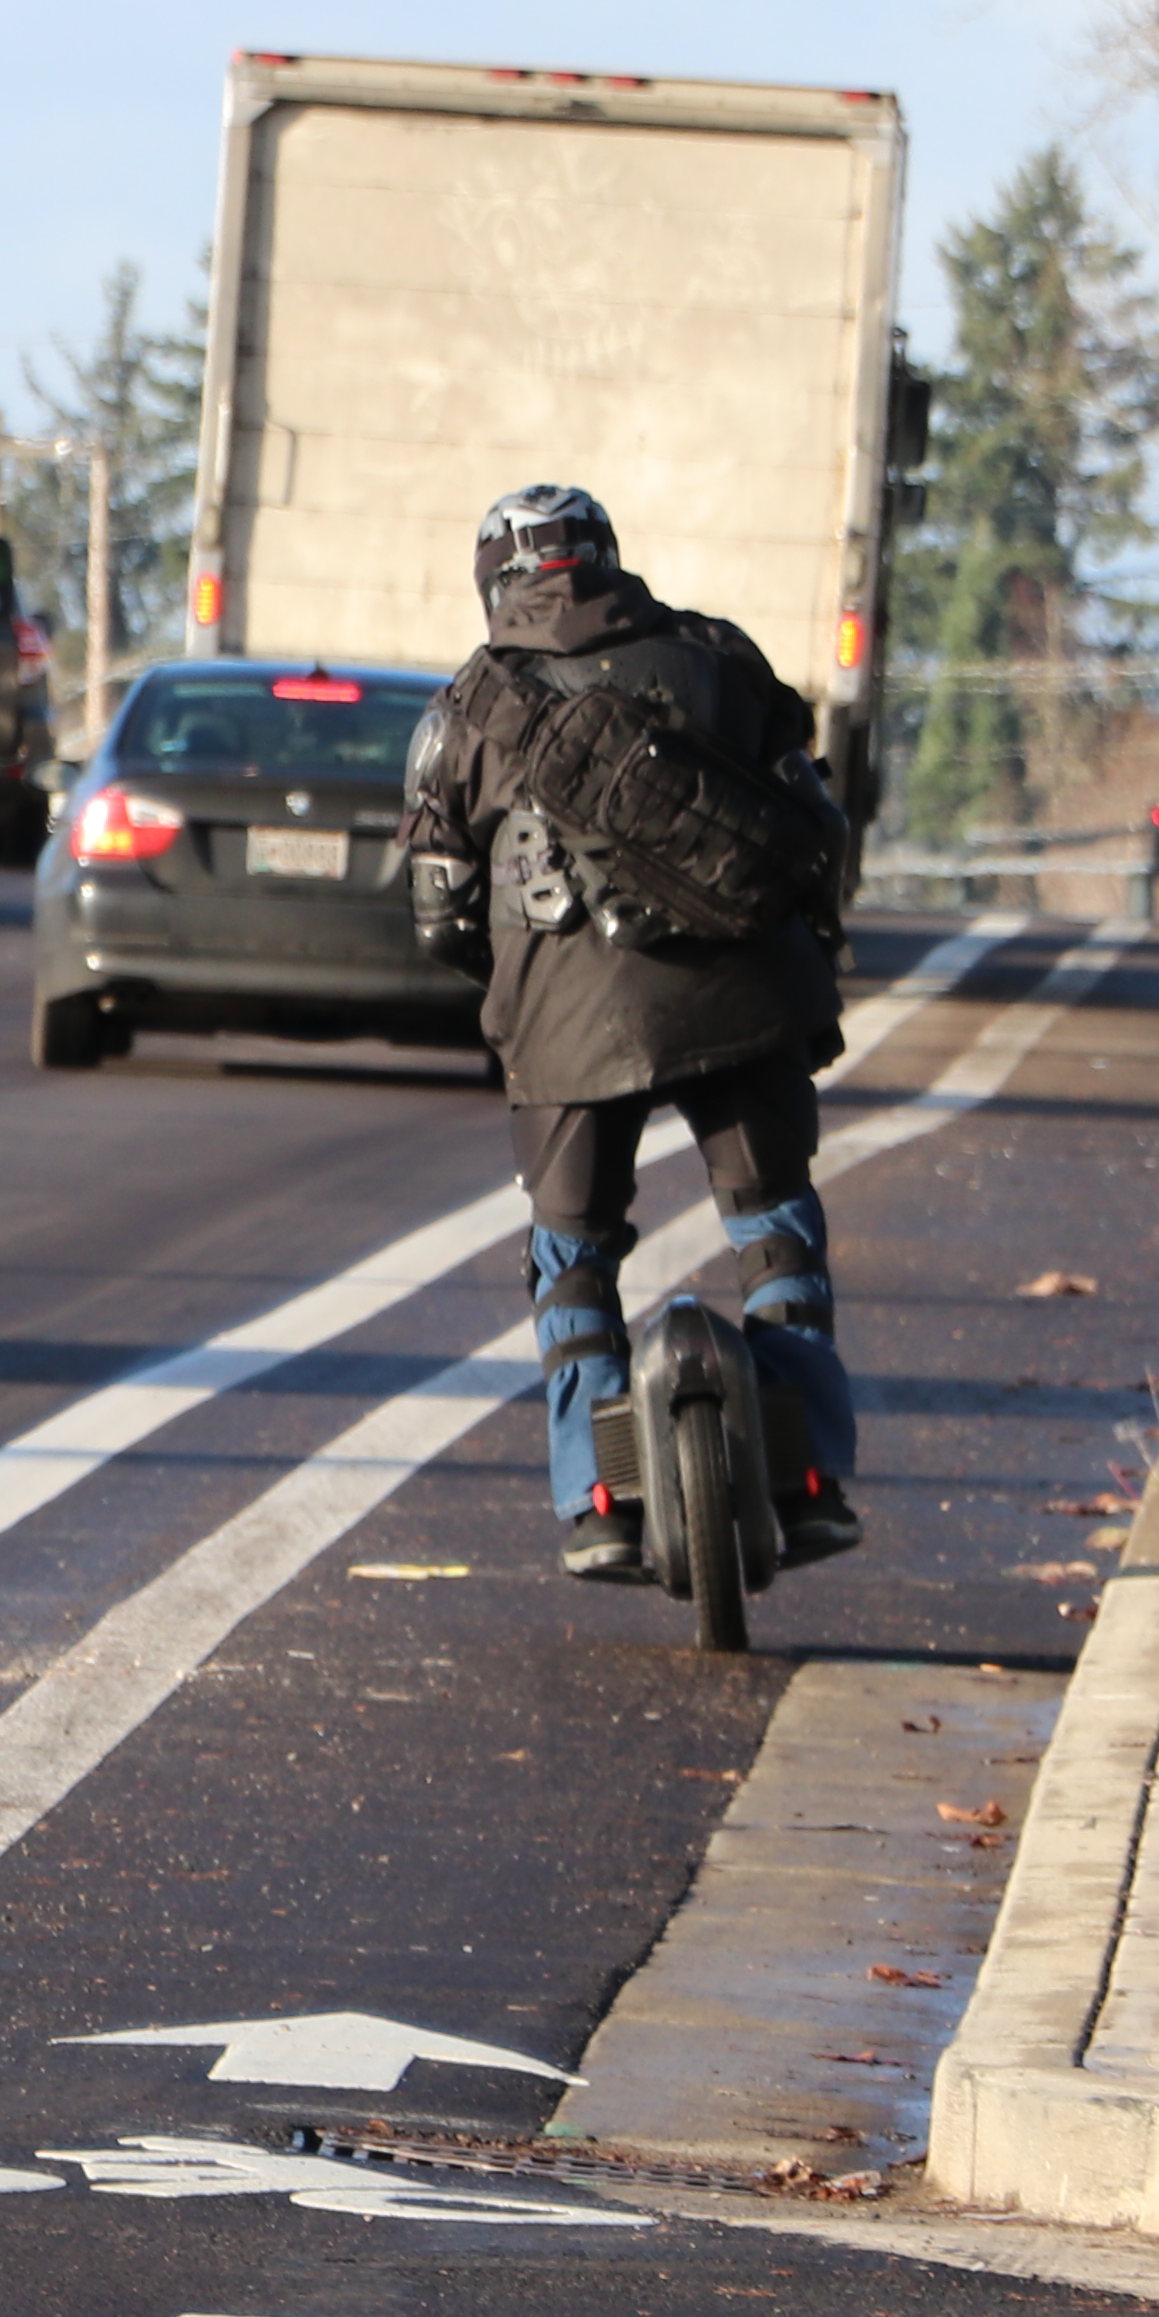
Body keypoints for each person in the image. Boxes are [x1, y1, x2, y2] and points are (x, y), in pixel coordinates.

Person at [395, 482, 863, 1580]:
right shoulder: (717, 656)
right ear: (607, 558)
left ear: (495, 580)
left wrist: (510, 976)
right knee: (775, 1224)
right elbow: (817, 822)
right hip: (748, 996)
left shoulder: (465, 709)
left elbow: (436, 917)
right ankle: (810, 1481)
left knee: (573, 1252)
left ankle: (598, 1497)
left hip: (563, 1021)